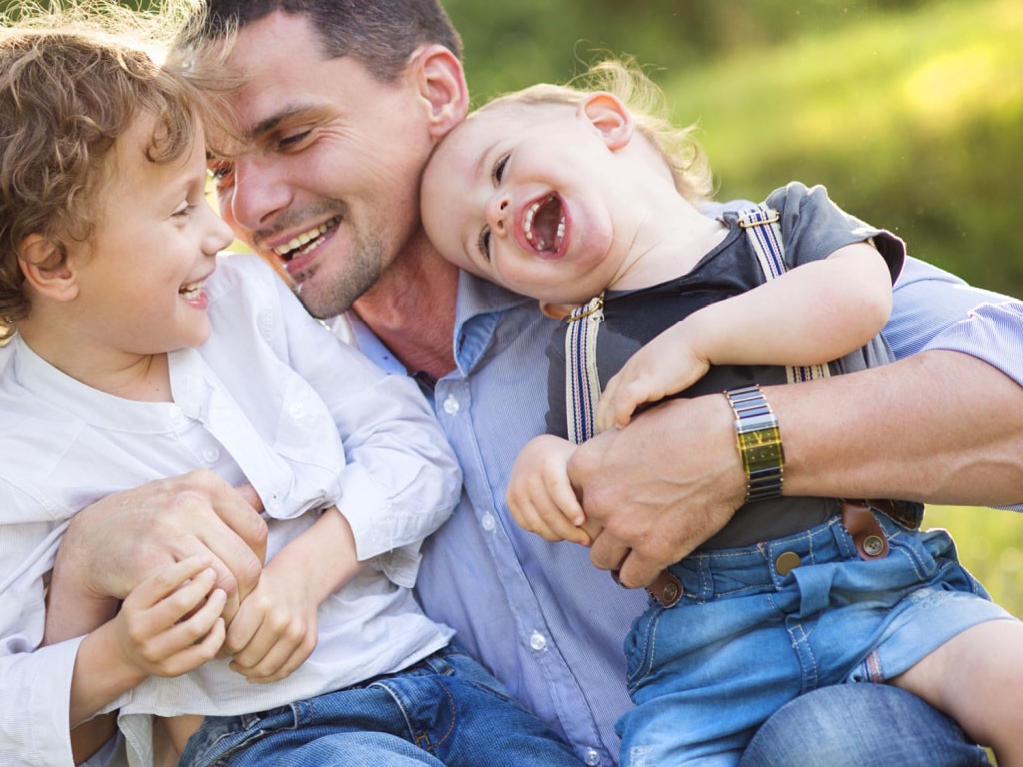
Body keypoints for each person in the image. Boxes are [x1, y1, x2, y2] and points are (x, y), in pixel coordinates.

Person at [45, 0, 1023, 767]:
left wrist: (739, 441)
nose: (252, 206)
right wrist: (87, 568)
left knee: (839, 736)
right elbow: (72, 732)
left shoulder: (679, 262)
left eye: (293, 136)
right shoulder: (232, 378)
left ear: (434, 90)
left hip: (809, 715)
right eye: (220, 173)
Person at [0, 0, 584, 767]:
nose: (224, 232)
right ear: (51, 263)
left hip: (430, 675)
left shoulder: (244, 304)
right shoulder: (4, 456)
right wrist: (119, 653)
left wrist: (306, 574)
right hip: (267, 735)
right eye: (182, 208)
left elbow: (412, 445)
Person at [417, 62, 1023, 765]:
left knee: (1009, 677)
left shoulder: (783, 228)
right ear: (541, 301)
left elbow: (859, 300)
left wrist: (702, 339)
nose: (495, 212)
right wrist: (544, 464)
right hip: (709, 655)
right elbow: (596, 467)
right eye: (484, 246)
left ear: (607, 124)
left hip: (875, 592)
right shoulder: (576, 343)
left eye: (501, 168)